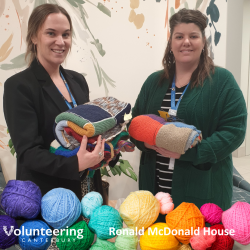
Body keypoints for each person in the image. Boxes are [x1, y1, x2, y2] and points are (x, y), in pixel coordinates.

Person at [130, 8, 247, 214]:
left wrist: (191, 152)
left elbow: (234, 132)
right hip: (156, 191)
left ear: (203, 41)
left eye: (193, 36)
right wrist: (145, 141)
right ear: (171, 42)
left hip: (203, 188)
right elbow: (135, 123)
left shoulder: (222, 81)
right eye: (179, 36)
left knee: (196, 242)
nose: (186, 42)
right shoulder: (154, 82)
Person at [3, 4, 108, 204]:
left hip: (88, 192)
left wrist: (105, 151)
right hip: (50, 197)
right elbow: (29, 153)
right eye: (51, 33)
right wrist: (75, 164)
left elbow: (86, 133)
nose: (61, 42)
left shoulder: (78, 81)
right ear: (34, 37)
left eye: (66, 34)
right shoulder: (19, 86)